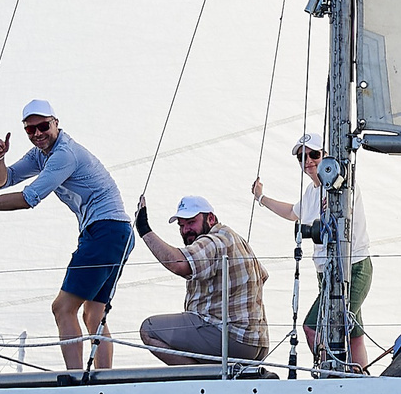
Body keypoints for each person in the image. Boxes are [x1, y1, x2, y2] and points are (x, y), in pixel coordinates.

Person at [0, 100, 131, 371]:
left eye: (43, 126)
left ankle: (75, 380)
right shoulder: (41, 155)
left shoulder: (64, 154)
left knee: (62, 308)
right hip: (118, 233)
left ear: (56, 123)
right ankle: (106, 381)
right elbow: (3, 181)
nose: (37, 134)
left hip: (104, 231)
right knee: (94, 314)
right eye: (30, 130)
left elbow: (28, 198)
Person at [253, 133, 373, 370]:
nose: (308, 161)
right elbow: (292, 213)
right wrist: (261, 198)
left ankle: (329, 373)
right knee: (355, 333)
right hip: (327, 274)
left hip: (354, 268)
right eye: (302, 157)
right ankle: (361, 379)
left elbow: (339, 212)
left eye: (314, 155)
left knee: (312, 327)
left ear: (325, 156)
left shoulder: (343, 183)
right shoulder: (311, 192)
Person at [135, 193, 270, 367]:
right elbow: (263, 276)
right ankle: (214, 378)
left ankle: (201, 380)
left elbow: (179, 264)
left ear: (211, 219)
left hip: (232, 340)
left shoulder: (214, 240)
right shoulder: (235, 239)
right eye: (181, 225)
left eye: (191, 222)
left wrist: (144, 230)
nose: (185, 230)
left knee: (150, 330)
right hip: (256, 344)